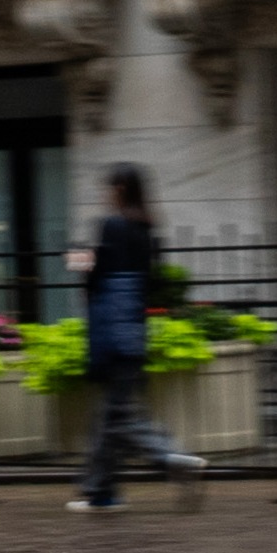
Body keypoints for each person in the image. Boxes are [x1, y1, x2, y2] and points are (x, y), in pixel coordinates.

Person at [63, 162, 197, 510]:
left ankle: (173, 459)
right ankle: (101, 492)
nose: (106, 195)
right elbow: (151, 283)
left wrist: (80, 260)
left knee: (119, 419)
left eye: (109, 188)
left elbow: (96, 279)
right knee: (109, 417)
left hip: (112, 332)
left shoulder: (112, 225)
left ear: (120, 189)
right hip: (134, 331)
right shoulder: (147, 230)